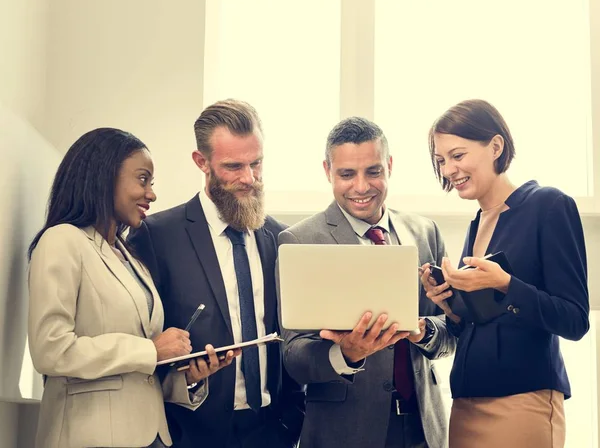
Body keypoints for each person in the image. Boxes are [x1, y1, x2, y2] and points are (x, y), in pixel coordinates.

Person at [28, 128, 238, 448]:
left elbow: (135, 374)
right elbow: (50, 349)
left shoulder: (130, 257)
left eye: (151, 183)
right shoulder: (62, 241)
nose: (151, 194)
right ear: (103, 177)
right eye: (142, 180)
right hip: (88, 437)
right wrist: (152, 350)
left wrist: (188, 377)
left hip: (150, 437)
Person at [128, 99, 304, 448]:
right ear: (201, 162)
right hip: (191, 432)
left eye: (257, 164)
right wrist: (186, 378)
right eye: (233, 166)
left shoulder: (282, 238)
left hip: (274, 430)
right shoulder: (156, 235)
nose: (249, 178)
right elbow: (137, 341)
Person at [422, 99, 590, 448]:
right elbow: (483, 320)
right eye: (441, 160)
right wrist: (451, 306)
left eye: (458, 155)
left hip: (522, 401)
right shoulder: (477, 224)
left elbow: (575, 320)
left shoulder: (548, 206)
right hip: (467, 401)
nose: (449, 169)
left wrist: (505, 283)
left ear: (495, 146)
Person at [279, 117, 455, 448]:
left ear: (388, 166)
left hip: (423, 427)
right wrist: (345, 354)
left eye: (373, 171)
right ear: (328, 171)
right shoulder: (299, 240)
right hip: (345, 432)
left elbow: (452, 331)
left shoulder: (425, 232)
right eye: (347, 174)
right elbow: (293, 355)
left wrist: (421, 330)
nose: (361, 186)